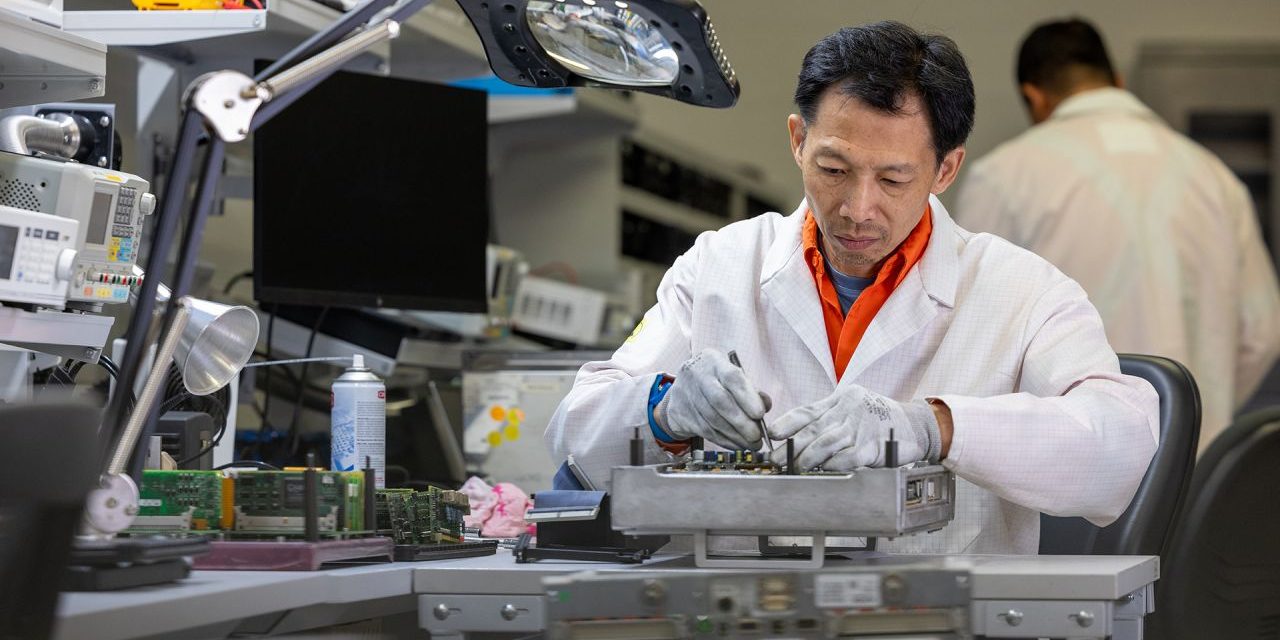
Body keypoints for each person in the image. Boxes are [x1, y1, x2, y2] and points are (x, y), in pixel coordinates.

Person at [546, 21, 1158, 554]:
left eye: (893, 179)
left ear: (946, 169)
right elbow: (577, 434)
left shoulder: (1023, 292)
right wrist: (665, 410)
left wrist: (934, 427)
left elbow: (1120, 450)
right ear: (797, 141)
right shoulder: (720, 265)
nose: (857, 210)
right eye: (833, 170)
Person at [954, 18, 1280, 453]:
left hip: (1068, 470)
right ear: (1118, 82)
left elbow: (973, 331)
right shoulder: (1215, 178)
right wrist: (1204, 410)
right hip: (1194, 463)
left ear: (1034, 96)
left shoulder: (1005, 176)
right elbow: (1264, 331)